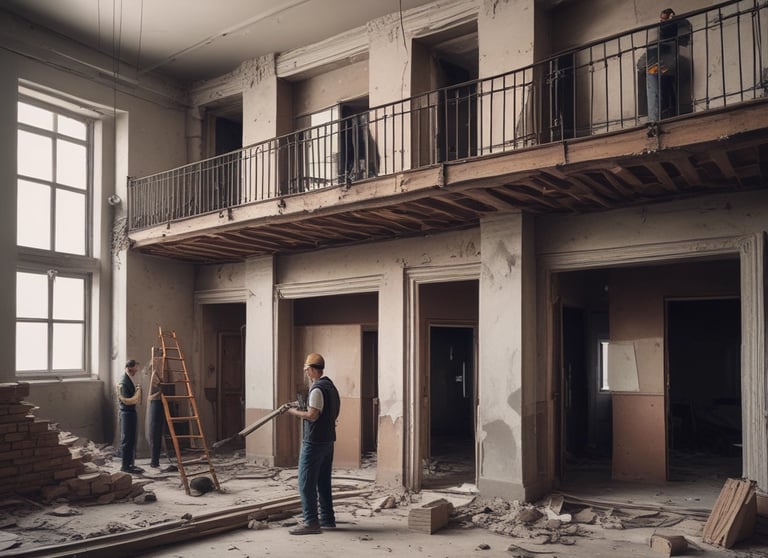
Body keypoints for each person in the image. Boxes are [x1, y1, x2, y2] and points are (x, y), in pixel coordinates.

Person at [285, 352, 341, 535]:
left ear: (311, 370)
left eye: (307, 370)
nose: (306, 373)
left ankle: (311, 523)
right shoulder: (331, 387)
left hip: (314, 442)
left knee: (305, 482)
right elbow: (329, 412)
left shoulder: (317, 389)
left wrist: (292, 412)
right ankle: (327, 519)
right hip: (328, 441)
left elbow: (312, 415)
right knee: (323, 481)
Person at [645, 8, 691, 122]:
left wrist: (672, 21)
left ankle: (661, 114)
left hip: (671, 60)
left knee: (665, 84)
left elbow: (683, 41)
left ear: (671, 16)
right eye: (661, 20)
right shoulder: (662, 31)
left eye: (664, 19)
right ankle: (661, 113)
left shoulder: (680, 25)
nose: (662, 22)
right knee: (662, 83)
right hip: (663, 61)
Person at [118, 359, 144, 474]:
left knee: (131, 439)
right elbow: (127, 401)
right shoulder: (124, 382)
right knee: (127, 440)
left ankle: (130, 464)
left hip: (130, 413)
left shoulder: (128, 379)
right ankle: (125, 466)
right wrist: (138, 392)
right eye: (135, 368)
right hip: (127, 413)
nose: (137, 371)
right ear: (130, 368)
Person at [147, 358, 166, 468]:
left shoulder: (158, 374)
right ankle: (154, 461)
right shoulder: (154, 374)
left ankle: (155, 460)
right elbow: (156, 387)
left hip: (160, 402)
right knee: (155, 432)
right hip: (156, 402)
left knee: (158, 432)